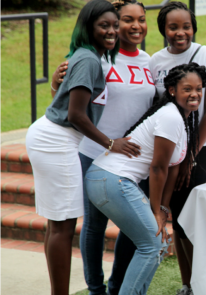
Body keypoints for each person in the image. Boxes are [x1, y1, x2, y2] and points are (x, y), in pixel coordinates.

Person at [25, 1, 141, 294]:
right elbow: (76, 115)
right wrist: (111, 143)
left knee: (57, 225)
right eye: (105, 25)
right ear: (88, 27)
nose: (112, 31)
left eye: (115, 25)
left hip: (52, 137)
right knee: (63, 227)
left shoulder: (91, 56)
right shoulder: (89, 59)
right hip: (57, 140)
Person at [51, 1, 156, 294]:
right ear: (110, 23)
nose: (135, 26)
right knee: (95, 225)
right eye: (126, 20)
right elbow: (67, 100)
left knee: (131, 228)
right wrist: (55, 83)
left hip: (134, 159)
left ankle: (117, 285)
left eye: (141, 20)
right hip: (94, 152)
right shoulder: (97, 57)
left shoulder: (149, 61)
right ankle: (95, 288)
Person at [84, 62, 206, 294]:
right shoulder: (171, 116)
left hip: (107, 179)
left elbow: (171, 169)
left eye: (199, 89)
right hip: (112, 179)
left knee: (155, 244)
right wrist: (156, 211)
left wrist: (162, 208)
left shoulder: (182, 120)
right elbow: (158, 168)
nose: (194, 94)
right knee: (153, 244)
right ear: (172, 90)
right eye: (187, 89)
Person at [149, 2, 206, 294]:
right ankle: (188, 283)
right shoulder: (155, 60)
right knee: (177, 215)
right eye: (173, 27)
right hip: (169, 147)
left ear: (194, 27)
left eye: (186, 26)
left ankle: (200, 283)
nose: (180, 32)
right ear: (163, 30)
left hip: (200, 146)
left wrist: (190, 154)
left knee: (186, 215)